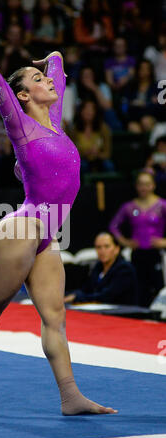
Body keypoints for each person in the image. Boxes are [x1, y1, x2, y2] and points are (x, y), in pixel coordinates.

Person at [0, 39, 117, 415]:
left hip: (46, 237)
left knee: (55, 317)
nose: (48, 83)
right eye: (38, 80)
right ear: (23, 95)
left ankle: (70, 396)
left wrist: (55, 59)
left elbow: (58, 79)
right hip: (23, 228)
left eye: (45, 78)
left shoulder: (57, 124)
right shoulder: (22, 129)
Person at [109, 169, 166, 307]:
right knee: (138, 287)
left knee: (158, 286)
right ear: (136, 186)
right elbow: (113, 226)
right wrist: (125, 242)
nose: (144, 187)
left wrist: (164, 242)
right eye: (140, 184)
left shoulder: (162, 205)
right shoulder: (129, 207)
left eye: (147, 184)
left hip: (156, 253)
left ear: (153, 185)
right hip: (138, 253)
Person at [64, 232, 138, 305]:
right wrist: (67, 295)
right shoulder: (98, 267)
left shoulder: (125, 269)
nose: (102, 251)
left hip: (123, 313)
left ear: (117, 249)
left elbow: (107, 296)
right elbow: (86, 289)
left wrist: (77, 297)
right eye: (98, 247)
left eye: (106, 246)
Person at [69, 100, 114, 174]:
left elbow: (107, 153)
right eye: (86, 109)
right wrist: (85, 153)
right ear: (80, 111)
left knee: (108, 166)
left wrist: (97, 154)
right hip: (82, 159)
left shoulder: (104, 129)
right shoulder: (74, 130)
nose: (88, 112)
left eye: (91, 110)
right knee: (81, 166)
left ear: (96, 112)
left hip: (100, 159)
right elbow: (71, 153)